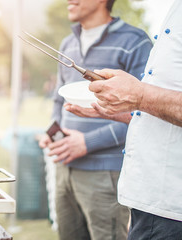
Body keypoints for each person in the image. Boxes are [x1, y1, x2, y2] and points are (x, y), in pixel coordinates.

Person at [65, 1, 182, 239]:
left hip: (171, 206)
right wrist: (114, 110)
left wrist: (139, 96)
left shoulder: (136, 40)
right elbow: (158, 108)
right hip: (146, 199)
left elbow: (143, 97)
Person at [37, 0, 152, 239]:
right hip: (64, 168)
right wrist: (51, 132)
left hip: (105, 173)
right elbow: (59, 100)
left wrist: (87, 142)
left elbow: (146, 114)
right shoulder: (67, 43)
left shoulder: (136, 42)